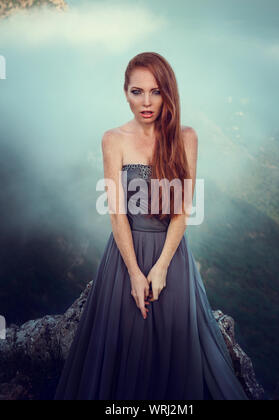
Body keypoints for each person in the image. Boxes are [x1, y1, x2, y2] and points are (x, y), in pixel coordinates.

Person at [54, 52, 249, 400]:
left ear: (168, 93)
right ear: (125, 93)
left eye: (155, 91)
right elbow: (116, 214)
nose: (146, 102)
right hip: (124, 255)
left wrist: (160, 268)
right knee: (120, 350)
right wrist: (134, 272)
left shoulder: (186, 137)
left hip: (171, 254)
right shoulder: (113, 139)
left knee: (175, 350)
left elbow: (181, 212)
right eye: (136, 91)